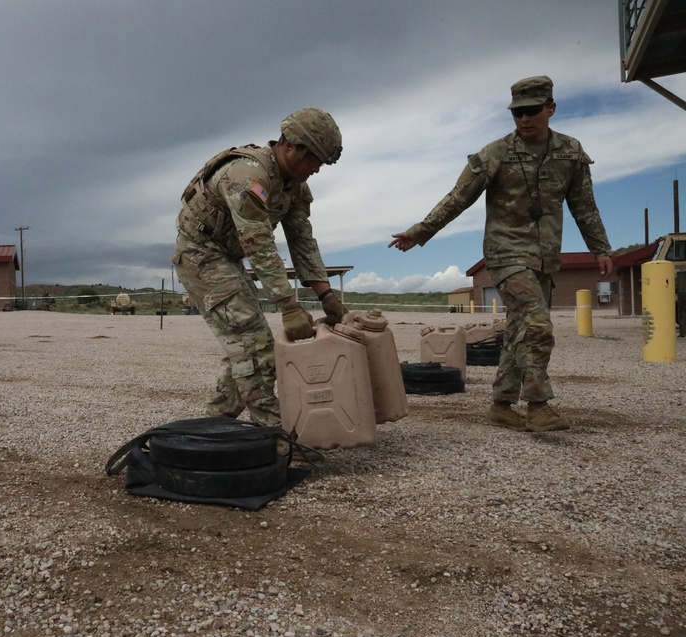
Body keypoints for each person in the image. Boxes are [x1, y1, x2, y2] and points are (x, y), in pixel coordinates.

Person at [388, 76, 613, 432]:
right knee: (539, 324)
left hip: (545, 256)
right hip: (505, 253)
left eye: (531, 111)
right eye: (517, 113)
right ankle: (538, 404)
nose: (524, 119)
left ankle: (502, 404)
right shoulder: (495, 154)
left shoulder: (570, 153)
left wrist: (600, 248)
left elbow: (585, 207)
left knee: (520, 328)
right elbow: (458, 197)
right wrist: (421, 231)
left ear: (550, 109)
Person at [171, 108, 347, 427]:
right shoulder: (246, 175)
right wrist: (289, 307)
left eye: (321, 163)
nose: (316, 170)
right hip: (200, 253)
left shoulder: (296, 187)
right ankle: (272, 433)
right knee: (257, 342)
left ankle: (211, 427)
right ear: (290, 145)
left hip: (227, 257)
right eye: (313, 160)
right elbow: (259, 243)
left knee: (242, 346)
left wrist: (327, 296)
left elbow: (302, 240)